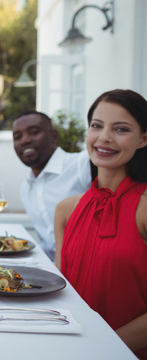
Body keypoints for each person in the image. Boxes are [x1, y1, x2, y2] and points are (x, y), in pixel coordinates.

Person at [55, 89, 147, 359]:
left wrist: (102, 350)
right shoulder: (66, 210)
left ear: (143, 138)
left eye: (121, 129)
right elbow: (62, 291)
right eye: (97, 126)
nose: (104, 137)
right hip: (70, 349)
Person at [12, 111, 91, 261]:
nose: (25, 140)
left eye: (34, 132)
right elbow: (48, 244)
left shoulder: (82, 164)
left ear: (54, 136)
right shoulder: (26, 188)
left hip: (87, 266)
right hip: (53, 270)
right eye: (17, 137)